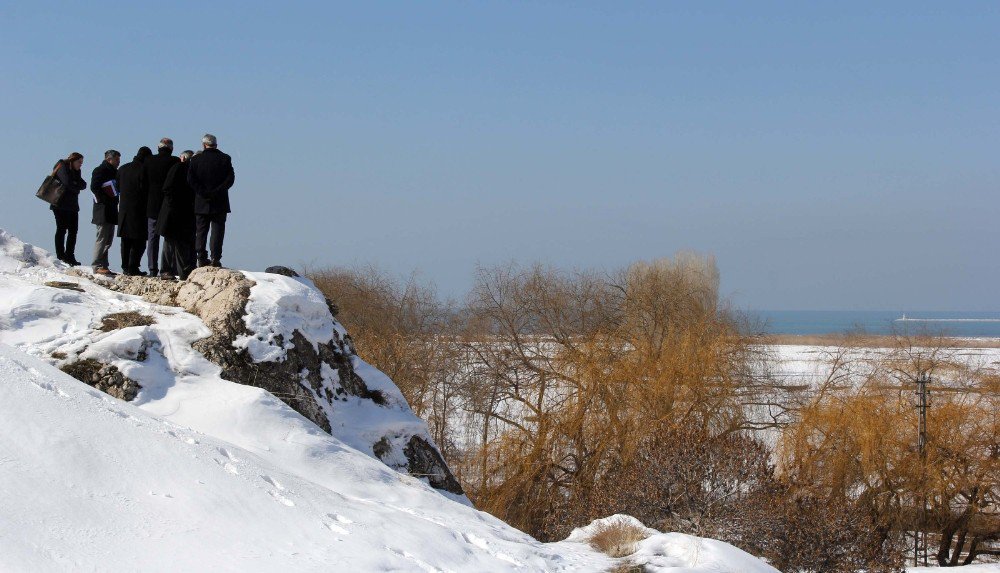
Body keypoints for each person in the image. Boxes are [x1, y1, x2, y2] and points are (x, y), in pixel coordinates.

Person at [187, 133, 234, 267]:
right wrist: (217, 191)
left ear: (203, 145)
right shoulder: (225, 159)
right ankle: (215, 258)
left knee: (201, 230)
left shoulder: (195, 160)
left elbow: (191, 179)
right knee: (217, 231)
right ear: (216, 144)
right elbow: (230, 179)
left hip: (201, 200)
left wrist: (202, 192)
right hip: (220, 200)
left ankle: (201, 257)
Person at [155, 150, 197, 280]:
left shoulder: (180, 168)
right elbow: (168, 188)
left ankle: (175, 271)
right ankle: (172, 270)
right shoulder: (182, 169)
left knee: (175, 242)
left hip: (176, 212)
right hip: (174, 212)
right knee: (173, 241)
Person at [143, 138, 180, 277]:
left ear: (158, 148)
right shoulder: (175, 162)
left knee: (152, 237)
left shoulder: (148, 161)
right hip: (169, 204)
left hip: (152, 203)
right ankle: (167, 268)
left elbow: (143, 182)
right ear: (171, 149)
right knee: (169, 237)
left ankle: (152, 268)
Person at [116, 147, 153, 276]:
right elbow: (146, 189)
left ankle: (125, 266)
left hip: (124, 209)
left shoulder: (123, 168)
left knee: (125, 240)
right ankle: (133, 266)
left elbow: (117, 187)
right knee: (139, 241)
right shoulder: (145, 170)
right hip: (140, 209)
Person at [50, 152, 87, 265]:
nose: (81, 165)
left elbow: (83, 184)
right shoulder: (62, 166)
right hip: (60, 204)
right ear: (72, 160)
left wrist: (75, 184)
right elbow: (67, 183)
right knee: (61, 229)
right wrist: (76, 186)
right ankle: (61, 256)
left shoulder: (76, 171)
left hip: (72, 205)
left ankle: (70, 255)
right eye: (79, 162)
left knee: (73, 231)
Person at [89, 150, 121, 275]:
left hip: (112, 208)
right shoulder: (100, 170)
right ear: (109, 159)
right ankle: (96, 266)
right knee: (102, 238)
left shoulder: (115, 172)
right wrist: (104, 199)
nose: (118, 163)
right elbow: (94, 187)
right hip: (102, 209)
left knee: (108, 240)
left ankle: (104, 265)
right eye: (117, 160)